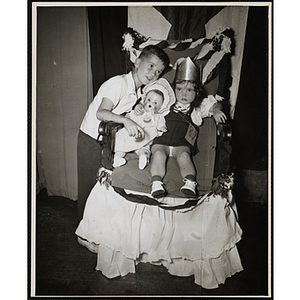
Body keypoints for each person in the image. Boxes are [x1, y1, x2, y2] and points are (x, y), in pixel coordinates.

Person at [77, 45, 170, 219]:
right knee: (89, 188)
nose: (153, 74)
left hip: (107, 140)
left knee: (101, 188)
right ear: (137, 61)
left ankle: (95, 227)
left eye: (158, 72)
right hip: (90, 138)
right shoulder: (119, 83)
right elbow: (101, 112)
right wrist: (126, 120)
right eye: (151, 66)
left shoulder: (137, 92)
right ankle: (82, 229)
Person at [150, 57, 227, 198]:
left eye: (189, 90)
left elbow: (215, 104)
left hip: (182, 143)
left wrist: (216, 110)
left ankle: (190, 183)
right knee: (158, 155)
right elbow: (148, 102)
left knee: (185, 156)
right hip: (162, 140)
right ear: (174, 89)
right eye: (179, 89)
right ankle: (156, 183)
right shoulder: (166, 102)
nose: (184, 94)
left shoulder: (197, 108)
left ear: (197, 92)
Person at [113, 78, 175, 170]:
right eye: (149, 99)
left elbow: (161, 125)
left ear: (160, 107)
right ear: (144, 100)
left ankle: (143, 158)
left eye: (155, 103)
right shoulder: (139, 110)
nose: (151, 104)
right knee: (122, 146)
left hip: (146, 137)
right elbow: (128, 117)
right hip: (132, 134)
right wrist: (133, 112)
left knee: (144, 149)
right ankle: (117, 158)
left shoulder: (158, 116)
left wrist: (161, 128)